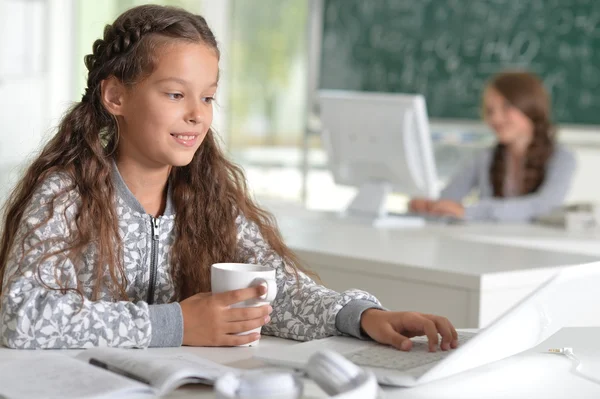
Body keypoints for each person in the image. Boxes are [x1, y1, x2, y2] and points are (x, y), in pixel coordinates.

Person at [0, 5, 457, 352]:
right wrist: (177, 324)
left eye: (209, 97)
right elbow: (21, 316)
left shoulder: (209, 195)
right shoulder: (66, 194)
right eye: (176, 94)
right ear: (116, 96)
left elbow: (276, 288)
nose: (197, 115)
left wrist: (360, 316)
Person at [410, 71, 576, 222]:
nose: (496, 119)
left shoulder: (562, 158)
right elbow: (449, 197)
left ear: (530, 107)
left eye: (506, 108)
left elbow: (544, 205)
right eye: (490, 111)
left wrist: (470, 212)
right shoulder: (485, 157)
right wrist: (429, 206)